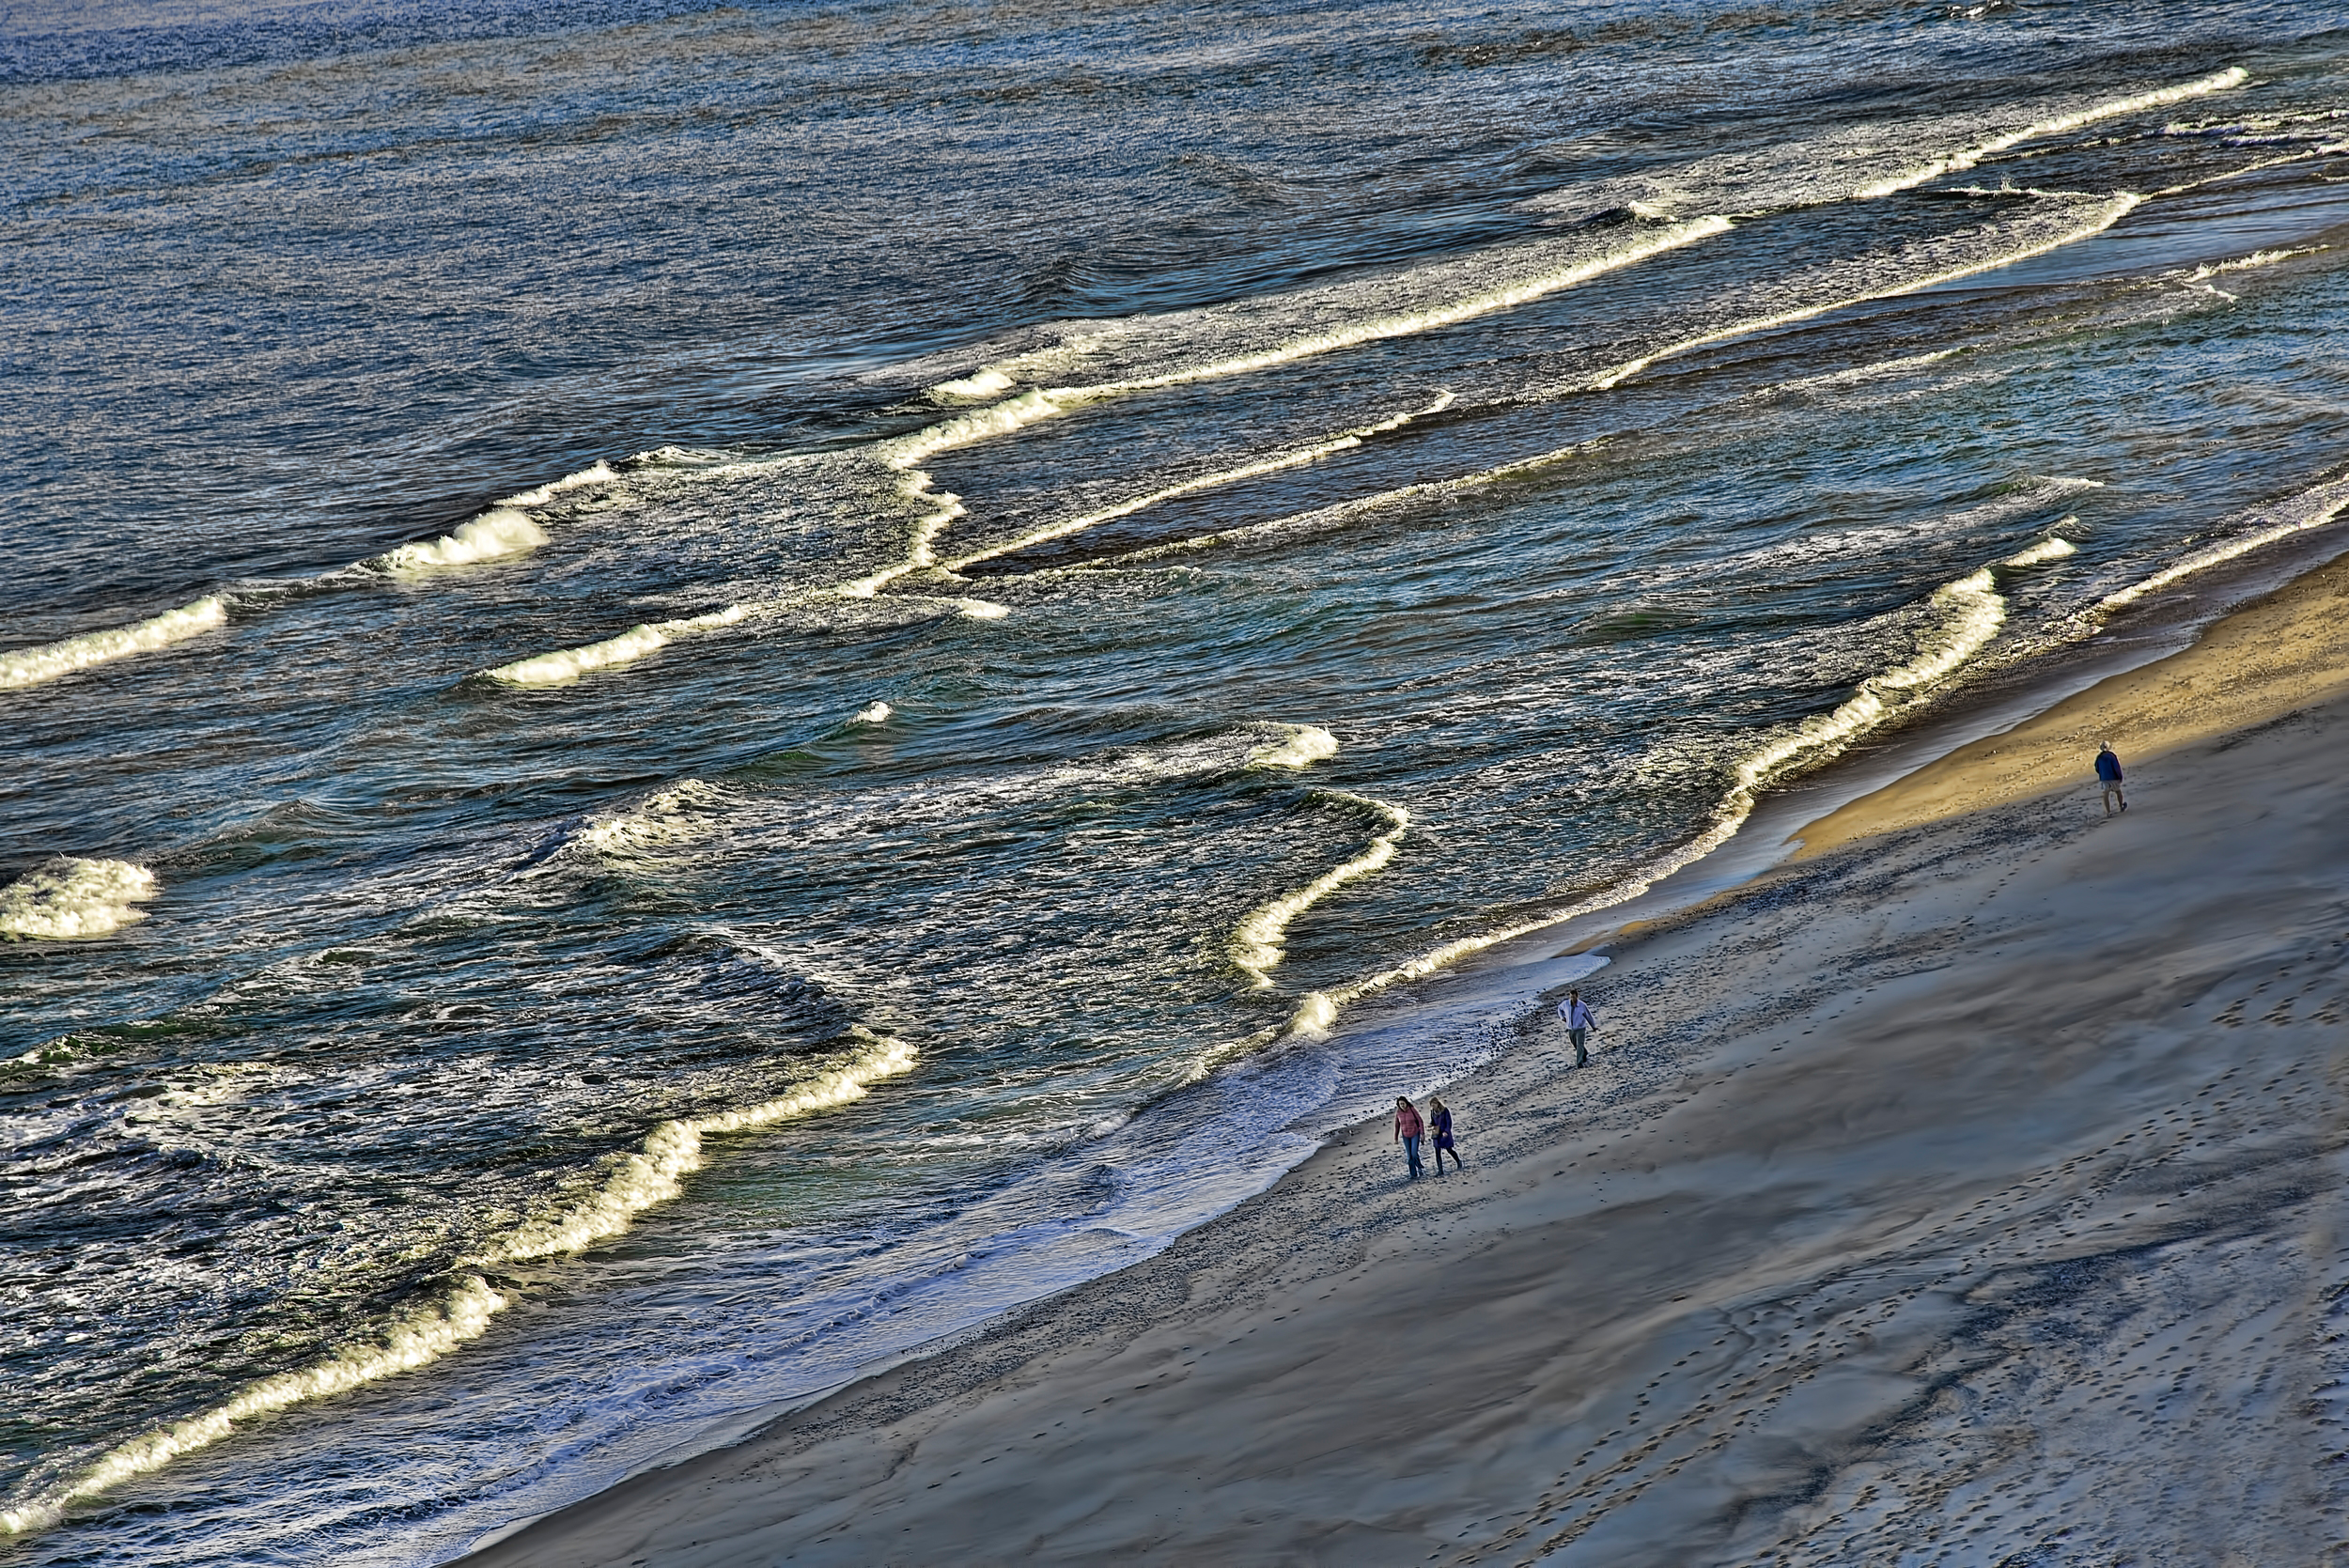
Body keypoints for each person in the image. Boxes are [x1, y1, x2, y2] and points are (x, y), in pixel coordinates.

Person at [1558, 986, 1596, 1067]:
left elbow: (1588, 1016)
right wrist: (1562, 1017)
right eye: (1571, 997)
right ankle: (1584, 1053)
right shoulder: (1565, 1004)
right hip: (1570, 1028)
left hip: (1580, 1028)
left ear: (1577, 996)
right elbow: (1559, 1009)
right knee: (1575, 1044)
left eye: (1574, 997)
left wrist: (1593, 1026)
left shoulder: (1582, 1005)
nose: (1572, 999)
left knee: (1580, 1044)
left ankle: (1579, 1062)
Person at [1393, 1095, 1425, 1180]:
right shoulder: (1398, 1112)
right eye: (1400, 1104)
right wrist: (1396, 1137)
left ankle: (1419, 1167)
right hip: (1405, 1135)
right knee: (1409, 1156)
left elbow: (1420, 1120)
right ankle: (1413, 1174)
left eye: (1403, 1103)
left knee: (1414, 1153)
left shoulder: (1412, 1109)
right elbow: (1397, 1125)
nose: (1402, 1105)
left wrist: (1422, 1133)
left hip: (1415, 1133)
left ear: (1406, 1103)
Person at [1428, 1095, 1461, 1174]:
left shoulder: (1445, 1110)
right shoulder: (1432, 1112)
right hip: (1437, 1133)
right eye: (1431, 1105)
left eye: (1434, 1104)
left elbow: (1449, 1122)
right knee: (1437, 1151)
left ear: (1437, 1104)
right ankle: (1440, 1170)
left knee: (1449, 1149)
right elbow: (1433, 1121)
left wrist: (1446, 1131)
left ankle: (1458, 1162)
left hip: (1444, 1133)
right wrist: (1430, 1124)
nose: (1433, 1106)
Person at [2095, 741, 2127, 815]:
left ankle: (2108, 811)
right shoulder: (2112, 756)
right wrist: (2120, 776)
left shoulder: (2099, 757)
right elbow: (2116, 767)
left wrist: (2102, 774)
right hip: (2113, 777)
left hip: (2104, 778)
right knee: (2118, 791)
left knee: (2105, 794)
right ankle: (2121, 805)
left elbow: (2097, 768)